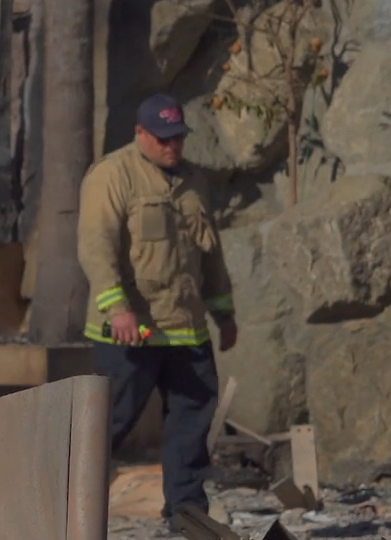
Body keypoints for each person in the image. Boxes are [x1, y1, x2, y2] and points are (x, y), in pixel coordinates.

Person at [76, 93, 238, 529]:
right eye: (163, 139)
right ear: (141, 134)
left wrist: (224, 313)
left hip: (186, 329)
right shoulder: (112, 176)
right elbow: (97, 248)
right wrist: (118, 310)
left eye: (178, 138)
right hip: (131, 331)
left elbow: (210, 253)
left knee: (192, 421)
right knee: (108, 423)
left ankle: (186, 515)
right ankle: (66, 504)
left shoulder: (193, 181)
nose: (172, 147)